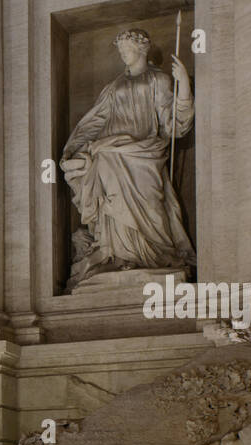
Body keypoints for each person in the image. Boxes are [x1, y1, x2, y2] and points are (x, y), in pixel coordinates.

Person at [61, 28, 195, 288]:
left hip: (145, 152)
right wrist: (74, 148)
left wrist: (185, 88)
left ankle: (155, 256)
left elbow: (174, 125)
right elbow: (95, 120)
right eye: (120, 50)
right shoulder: (114, 87)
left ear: (141, 49)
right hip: (111, 151)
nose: (123, 54)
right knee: (102, 163)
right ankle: (118, 253)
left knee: (151, 206)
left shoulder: (159, 80)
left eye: (127, 49)